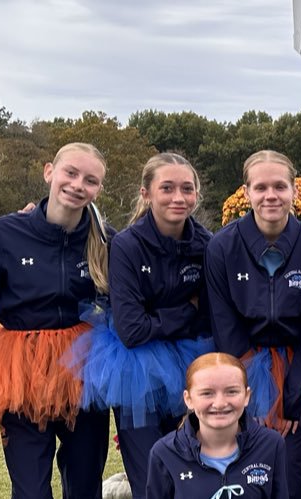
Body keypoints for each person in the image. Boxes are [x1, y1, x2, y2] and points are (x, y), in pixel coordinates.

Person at [0, 142, 114, 499]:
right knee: (31, 488)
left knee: (85, 482)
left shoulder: (104, 238)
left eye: (90, 180)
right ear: (49, 172)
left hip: (84, 370)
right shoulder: (6, 232)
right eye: (70, 172)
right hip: (21, 370)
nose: (77, 185)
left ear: (98, 189)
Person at [79, 152, 215, 495]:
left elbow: (211, 316)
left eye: (187, 188)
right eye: (166, 188)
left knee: (196, 472)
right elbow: (132, 330)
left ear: (196, 195)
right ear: (146, 193)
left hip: (191, 365)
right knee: (149, 478)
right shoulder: (126, 245)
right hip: (133, 372)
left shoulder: (208, 245)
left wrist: (167, 316)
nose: (178, 197)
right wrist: (187, 309)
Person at [206, 150, 301, 499]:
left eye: (280, 186)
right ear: (246, 192)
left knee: (292, 473)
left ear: (294, 190)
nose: (271, 196)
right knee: (244, 471)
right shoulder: (221, 247)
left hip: (299, 372)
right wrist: (251, 395)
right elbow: (225, 326)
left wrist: (290, 401)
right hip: (241, 371)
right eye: (261, 187)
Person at [146, 352, 290, 498]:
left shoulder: (271, 444)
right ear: (188, 399)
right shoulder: (164, 453)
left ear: (247, 396)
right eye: (207, 393)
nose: (220, 403)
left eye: (231, 391)